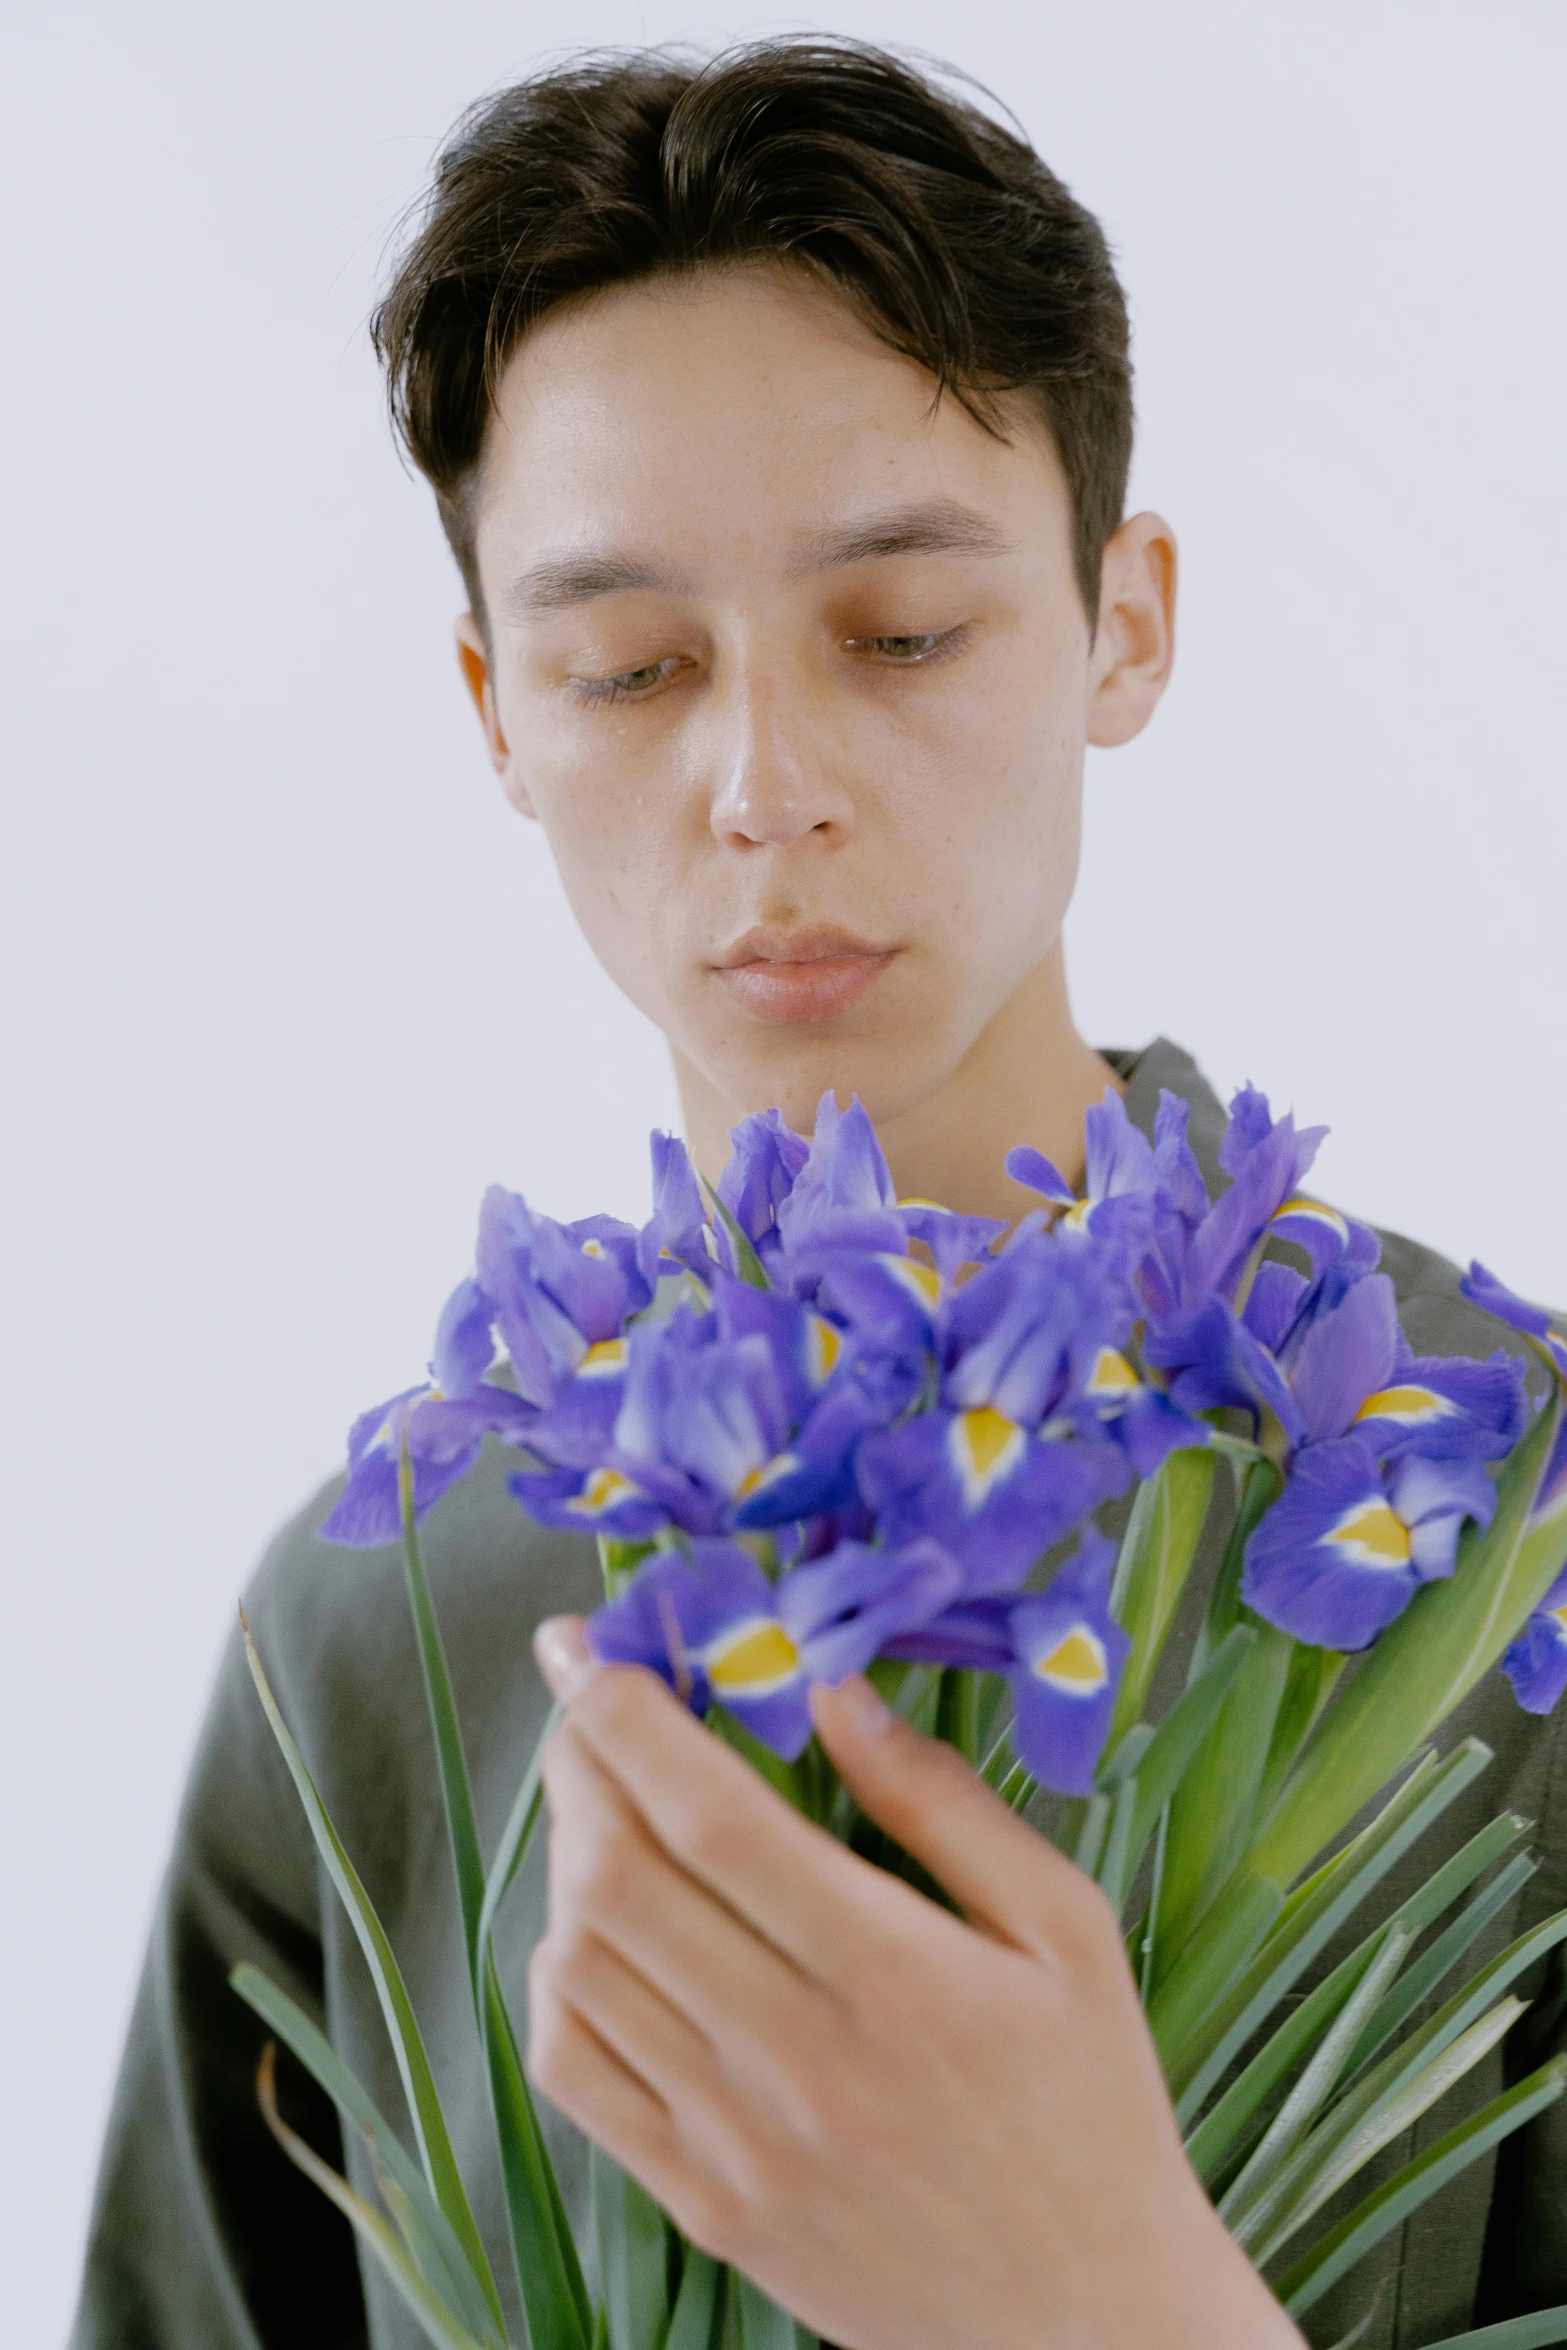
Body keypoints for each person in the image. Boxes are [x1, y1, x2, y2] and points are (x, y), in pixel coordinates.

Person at [71, 39, 1567, 2350]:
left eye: (900, 632)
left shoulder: (1502, 1499)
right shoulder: (374, 1628)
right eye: (626, 663)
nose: (766, 785)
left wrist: (1111, 2300)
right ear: (494, 709)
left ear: (1126, 621)